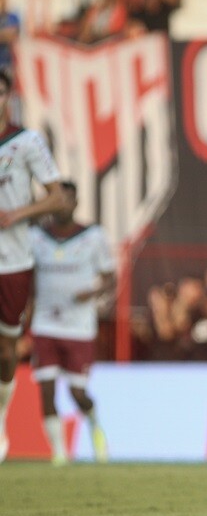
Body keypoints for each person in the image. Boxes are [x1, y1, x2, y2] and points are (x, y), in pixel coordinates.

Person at [0, 68, 67, 463]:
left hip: (13, 261)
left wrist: (18, 213)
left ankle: (1, 420)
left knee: (7, 352)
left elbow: (58, 198)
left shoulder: (26, 142)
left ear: (9, 97)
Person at [28, 181, 115, 465]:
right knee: (47, 389)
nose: (62, 205)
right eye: (57, 199)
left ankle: (94, 423)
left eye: (67, 200)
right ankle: (59, 454)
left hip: (79, 327)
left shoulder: (93, 236)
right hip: (45, 324)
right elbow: (24, 276)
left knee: (77, 393)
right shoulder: (36, 237)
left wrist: (92, 291)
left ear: (76, 203)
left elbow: (110, 277)